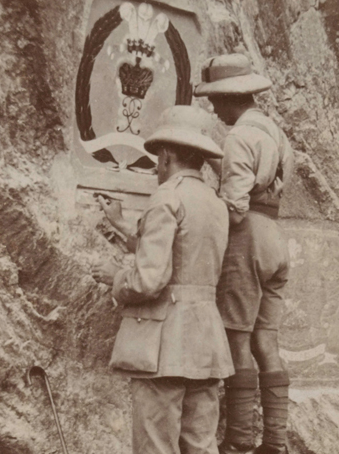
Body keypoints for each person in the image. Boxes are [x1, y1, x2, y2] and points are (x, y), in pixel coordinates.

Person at [92, 105, 234, 454]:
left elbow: (149, 280)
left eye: (158, 159)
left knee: (156, 447)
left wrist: (117, 277)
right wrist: (126, 227)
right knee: (201, 446)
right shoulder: (215, 204)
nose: (157, 167)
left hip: (164, 346)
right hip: (205, 345)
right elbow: (184, 256)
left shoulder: (166, 197)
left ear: (167, 156)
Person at [194, 53, 295, 454]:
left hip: (248, 238)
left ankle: (238, 441)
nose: (213, 107)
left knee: (237, 339)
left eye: (216, 99)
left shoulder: (238, 137)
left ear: (232, 96)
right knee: (265, 341)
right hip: (274, 235)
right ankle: (275, 441)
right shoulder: (274, 133)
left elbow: (235, 208)